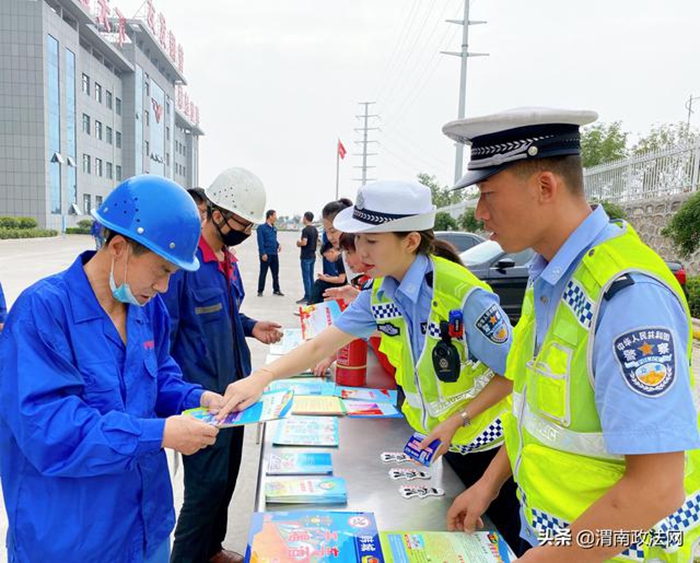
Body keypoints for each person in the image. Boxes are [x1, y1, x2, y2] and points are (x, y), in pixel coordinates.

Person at [442, 107, 700, 561]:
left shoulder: (624, 297)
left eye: (488, 194)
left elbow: (657, 489)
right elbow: (536, 416)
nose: (480, 213)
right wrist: (487, 484)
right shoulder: (551, 278)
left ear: (545, 187)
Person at [217, 180, 525, 553]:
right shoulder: (381, 292)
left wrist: (457, 420)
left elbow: (514, 374)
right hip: (439, 445)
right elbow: (322, 343)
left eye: (372, 241)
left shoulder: (464, 296)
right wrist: (262, 377)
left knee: (498, 543)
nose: (360, 252)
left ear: (410, 241)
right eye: (359, 238)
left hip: (490, 451)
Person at [0, 175, 224, 562]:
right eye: (161, 270)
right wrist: (159, 434)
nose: (165, 287)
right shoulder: (43, 312)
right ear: (118, 247)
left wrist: (198, 397)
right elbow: (51, 431)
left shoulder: (145, 307)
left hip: (145, 527)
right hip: (73, 541)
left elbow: (160, 376)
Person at [163, 168, 283, 563]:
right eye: (240, 224)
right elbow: (165, 336)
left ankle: (211, 550)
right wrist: (181, 398)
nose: (246, 232)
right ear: (215, 213)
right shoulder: (184, 265)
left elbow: (224, 316)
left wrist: (251, 326)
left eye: (250, 226)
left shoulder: (225, 260)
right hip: (201, 399)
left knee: (227, 479)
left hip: (234, 393)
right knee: (203, 492)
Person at [256, 209, 283, 296]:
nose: (276, 217)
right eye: (275, 215)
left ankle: (276, 289)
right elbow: (260, 242)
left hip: (274, 254)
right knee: (263, 273)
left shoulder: (274, 228)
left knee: (275, 273)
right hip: (266, 254)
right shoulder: (261, 228)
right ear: (270, 216)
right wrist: (263, 253)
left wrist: (278, 244)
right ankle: (260, 291)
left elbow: (273, 240)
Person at [296, 211, 319, 304]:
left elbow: (304, 242)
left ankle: (307, 296)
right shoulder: (315, 230)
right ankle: (312, 295)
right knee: (310, 276)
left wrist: (298, 243)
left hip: (305, 256)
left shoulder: (306, 230)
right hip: (313, 255)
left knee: (306, 277)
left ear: (305, 218)